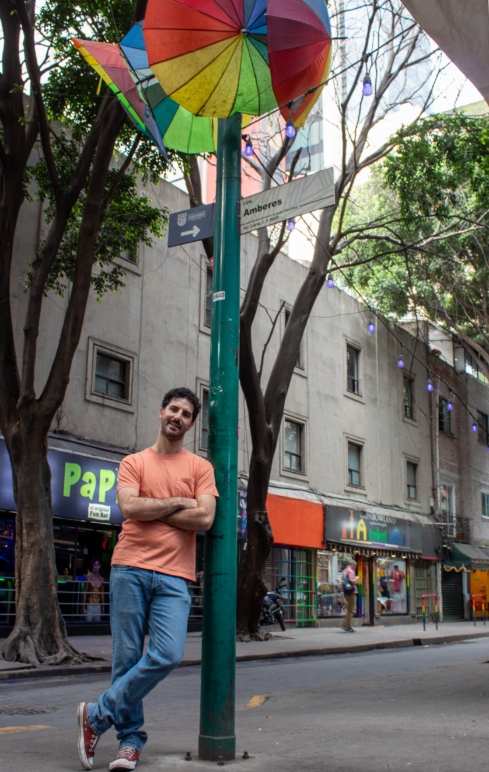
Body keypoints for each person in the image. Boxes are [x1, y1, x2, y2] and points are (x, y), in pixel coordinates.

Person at [77, 387, 218, 771]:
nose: (178, 416)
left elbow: (204, 518)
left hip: (174, 576)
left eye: (187, 414)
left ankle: (95, 717)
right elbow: (128, 506)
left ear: (191, 423)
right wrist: (178, 502)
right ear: (161, 412)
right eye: (174, 409)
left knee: (167, 654)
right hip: (129, 567)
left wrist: (149, 510)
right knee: (126, 659)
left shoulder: (200, 468)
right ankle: (130, 742)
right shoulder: (134, 462)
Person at [339, 559, 360, 633]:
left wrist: (355, 581)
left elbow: (347, 581)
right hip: (351, 591)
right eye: (355, 565)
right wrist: (357, 578)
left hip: (346, 591)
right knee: (350, 610)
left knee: (349, 609)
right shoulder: (351, 571)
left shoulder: (345, 571)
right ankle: (347, 626)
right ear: (353, 564)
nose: (355, 567)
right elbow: (352, 580)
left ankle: (345, 623)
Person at [83, 557, 105, 622]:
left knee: (97, 627)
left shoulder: (101, 579)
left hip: (98, 606)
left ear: (100, 566)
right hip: (90, 605)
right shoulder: (89, 578)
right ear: (93, 565)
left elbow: (102, 594)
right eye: (95, 565)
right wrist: (83, 608)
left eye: (97, 565)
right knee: (88, 627)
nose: (96, 567)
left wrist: (103, 607)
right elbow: (85, 593)